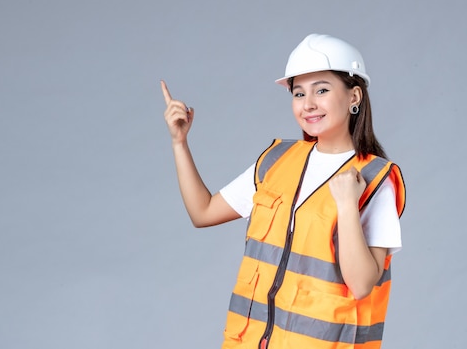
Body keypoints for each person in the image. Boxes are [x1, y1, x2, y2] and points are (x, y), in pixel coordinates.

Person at [160, 33, 406, 349]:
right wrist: (179, 143)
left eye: (322, 90)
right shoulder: (277, 161)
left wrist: (346, 205)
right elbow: (203, 212)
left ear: (354, 96)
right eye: (299, 93)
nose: (309, 104)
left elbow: (361, 285)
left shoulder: (375, 178)